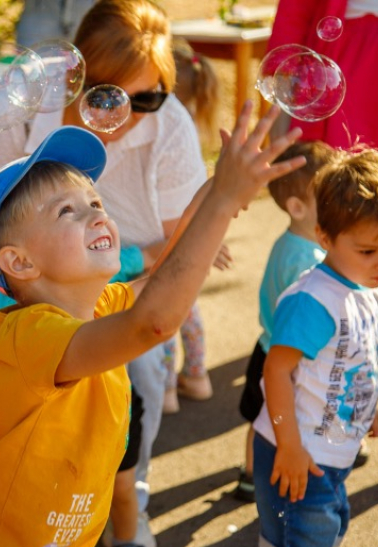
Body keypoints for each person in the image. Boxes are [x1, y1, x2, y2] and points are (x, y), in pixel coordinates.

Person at [0, 102, 305, 547]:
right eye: (67, 210)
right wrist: (223, 199)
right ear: (20, 263)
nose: (96, 216)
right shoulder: (34, 334)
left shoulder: (97, 307)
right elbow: (154, 321)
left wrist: (217, 194)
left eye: (96, 202)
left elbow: (167, 270)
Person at [0, 3, 210, 547]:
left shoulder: (169, 126)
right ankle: (14, 475)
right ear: (79, 78)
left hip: (101, 279)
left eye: (152, 97)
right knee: (66, 386)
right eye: (120, 95)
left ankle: (115, 501)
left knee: (126, 393)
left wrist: (212, 206)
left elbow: (170, 260)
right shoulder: (24, 101)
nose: (140, 112)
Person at [253, 148, 378, 547]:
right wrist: (289, 446)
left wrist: (363, 407)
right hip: (298, 453)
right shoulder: (312, 301)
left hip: (329, 451)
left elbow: (351, 355)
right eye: (368, 251)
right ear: (324, 236)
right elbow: (276, 371)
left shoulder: (365, 286)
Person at [268, 0, 378, 323]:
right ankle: (334, 275)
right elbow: (295, 8)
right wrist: (283, 74)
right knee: (347, 175)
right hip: (357, 40)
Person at [232, 141, 331, 503]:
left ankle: (247, 474)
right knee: (274, 416)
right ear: (297, 207)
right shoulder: (308, 261)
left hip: (266, 345)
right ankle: (262, 472)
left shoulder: (289, 243)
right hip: (284, 357)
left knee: (257, 417)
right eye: (330, 199)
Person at [161, 39, 224, 414]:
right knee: (187, 308)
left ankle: (166, 388)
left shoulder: (168, 128)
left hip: (169, 237)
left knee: (162, 313)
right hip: (196, 236)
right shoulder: (195, 127)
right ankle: (198, 376)